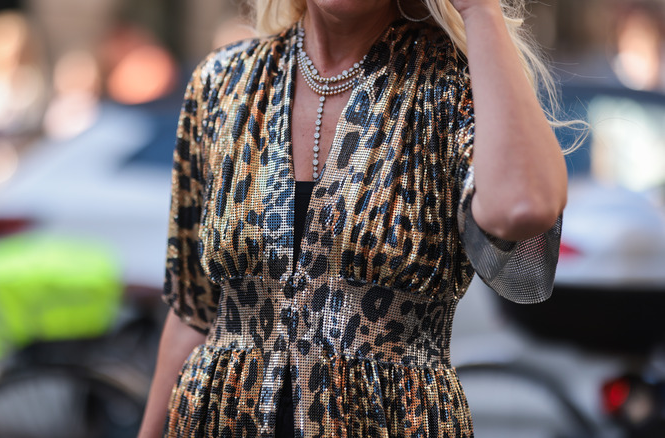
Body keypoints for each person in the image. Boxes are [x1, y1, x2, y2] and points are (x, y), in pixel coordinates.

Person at [139, 0, 568, 436]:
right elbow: (192, 312)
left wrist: (479, 10)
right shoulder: (223, 83)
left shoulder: (452, 85)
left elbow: (523, 206)